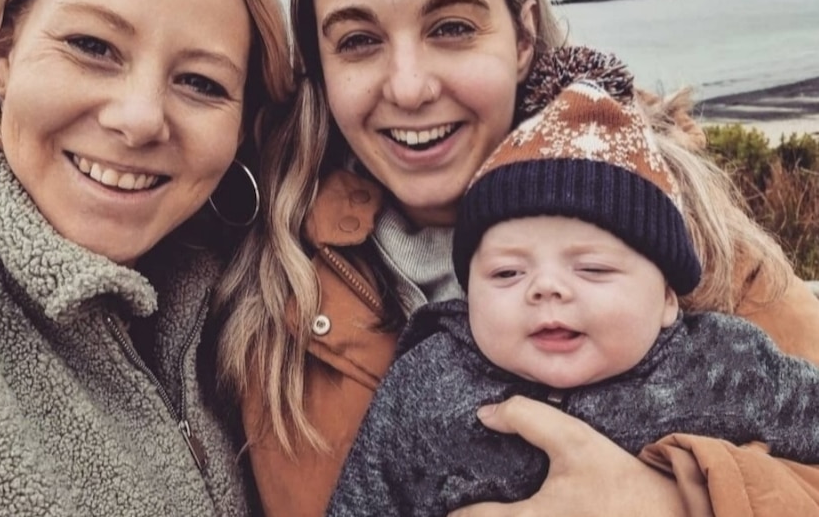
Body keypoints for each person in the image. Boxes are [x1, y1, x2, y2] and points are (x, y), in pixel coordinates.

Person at [214, 0, 819, 515]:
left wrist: (671, 503)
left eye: (451, 27)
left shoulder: (681, 225)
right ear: (319, 65)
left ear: (524, 35)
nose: (410, 87)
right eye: (359, 41)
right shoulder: (272, 292)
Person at [326, 73, 819, 516]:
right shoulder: (426, 382)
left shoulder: (723, 365)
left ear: (668, 298)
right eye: (506, 273)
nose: (546, 287)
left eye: (593, 268)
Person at [0, 0, 291, 515]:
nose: (140, 119)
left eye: (200, 82)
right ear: (4, 47)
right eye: (92, 46)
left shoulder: (227, 295)